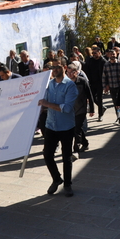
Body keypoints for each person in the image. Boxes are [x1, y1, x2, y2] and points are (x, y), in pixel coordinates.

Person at [38, 64, 79, 197]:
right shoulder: (49, 84)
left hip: (66, 127)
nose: (54, 70)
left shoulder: (70, 86)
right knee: (47, 154)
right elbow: (43, 102)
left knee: (66, 157)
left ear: (64, 67)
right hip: (51, 125)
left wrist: (46, 104)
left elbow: (66, 108)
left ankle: (67, 185)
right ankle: (56, 179)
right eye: (53, 67)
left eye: (57, 67)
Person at [66, 63, 94, 154]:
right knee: (77, 128)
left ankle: (76, 148)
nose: (69, 74)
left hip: (81, 109)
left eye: (71, 72)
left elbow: (89, 95)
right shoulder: (66, 82)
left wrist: (92, 109)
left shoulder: (82, 81)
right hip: (70, 109)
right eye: (67, 72)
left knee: (77, 129)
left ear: (76, 72)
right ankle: (85, 143)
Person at [83, 47, 107, 121]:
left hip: (100, 82)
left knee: (99, 99)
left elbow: (105, 73)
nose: (93, 54)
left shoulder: (103, 61)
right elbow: (86, 69)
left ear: (99, 53)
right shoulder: (90, 60)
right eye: (93, 53)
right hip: (92, 82)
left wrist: (106, 84)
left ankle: (100, 115)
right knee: (92, 98)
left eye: (95, 53)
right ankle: (102, 108)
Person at [102, 50, 120, 124]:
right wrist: (105, 86)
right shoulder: (106, 65)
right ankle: (117, 116)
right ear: (108, 55)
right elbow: (104, 76)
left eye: (114, 54)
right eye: (111, 54)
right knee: (115, 102)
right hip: (111, 86)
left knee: (119, 102)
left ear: (116, 54)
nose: (112, 55)